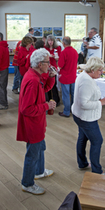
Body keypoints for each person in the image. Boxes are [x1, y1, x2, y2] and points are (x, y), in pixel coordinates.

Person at [17, 49, 57, 195]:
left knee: (40, 147)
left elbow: (45, 88)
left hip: (38, 122)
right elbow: (26, 109)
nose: (49, 65)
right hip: (33, 124)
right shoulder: (33, 80)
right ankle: (27, 183)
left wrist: (51, 77)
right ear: (40, 64)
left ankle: (39, 171)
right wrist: (47, 106)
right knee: (32, 154)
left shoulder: (34, 75)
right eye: (47, 62)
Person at [72, 57, 105, 175]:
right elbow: (84, 103)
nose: (101, 72)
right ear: (92, 70)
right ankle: (97, 171)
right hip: (86, 118)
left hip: (79, 115)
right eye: (100, 70)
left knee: (82, 138)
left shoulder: (85, 76)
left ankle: (82, 163)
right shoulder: (86, 81)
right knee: (97, 140)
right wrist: (101, 102)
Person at [58, 36, 78, 117]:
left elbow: (60, 65)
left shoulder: (64, 52)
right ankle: (73, 110)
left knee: (66, 95)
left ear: (63, 43)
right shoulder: (75, 51)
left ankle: (66, 112)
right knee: (73, 94)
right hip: (73, 76)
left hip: (65, 77)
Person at [45, 35, 61, 105]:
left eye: (51, 40)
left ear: (54, 41)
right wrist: (49, 56)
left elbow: (60, 57)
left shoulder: (57, 47)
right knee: (47, 84)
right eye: (49, 40)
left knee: (54, 85)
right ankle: (48, 100)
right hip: (47, 67)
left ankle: (56, 100)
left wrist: (56, 58)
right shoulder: (45, 47)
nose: (50, 42)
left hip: (54, 67)